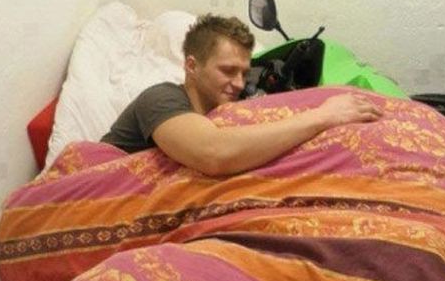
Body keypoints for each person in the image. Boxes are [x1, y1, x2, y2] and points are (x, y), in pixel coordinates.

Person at [101, 14, 382, 176]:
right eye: (227, 71)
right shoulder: (161, 98)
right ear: (191, 66)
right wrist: (324, 116)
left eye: (244, 73)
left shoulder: (229, 110)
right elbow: (213, 153)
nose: (238, 83)